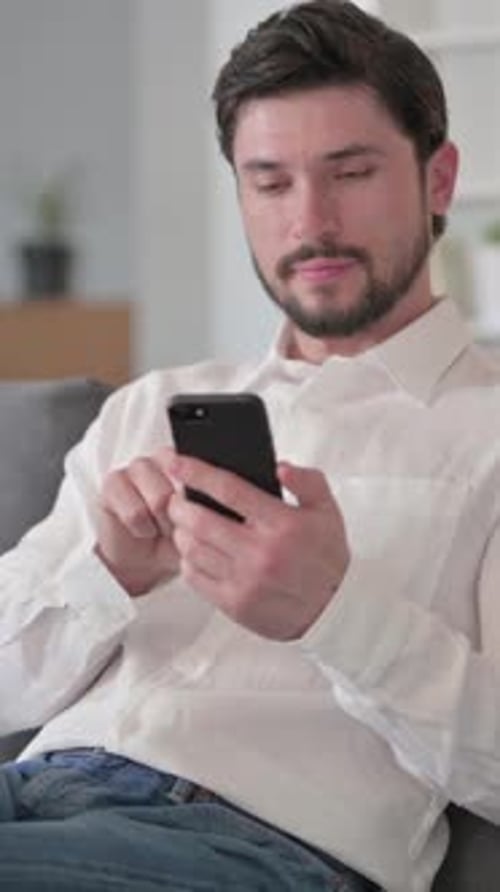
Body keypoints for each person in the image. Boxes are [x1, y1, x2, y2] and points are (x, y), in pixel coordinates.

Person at [1, 1, 500, 890]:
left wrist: (333, 613)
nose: (311, 222)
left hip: (242, 848)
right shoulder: (146, 408)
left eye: (349, 173)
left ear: (437, 179)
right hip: (33, 794)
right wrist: (104, 576)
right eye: (270, 183)